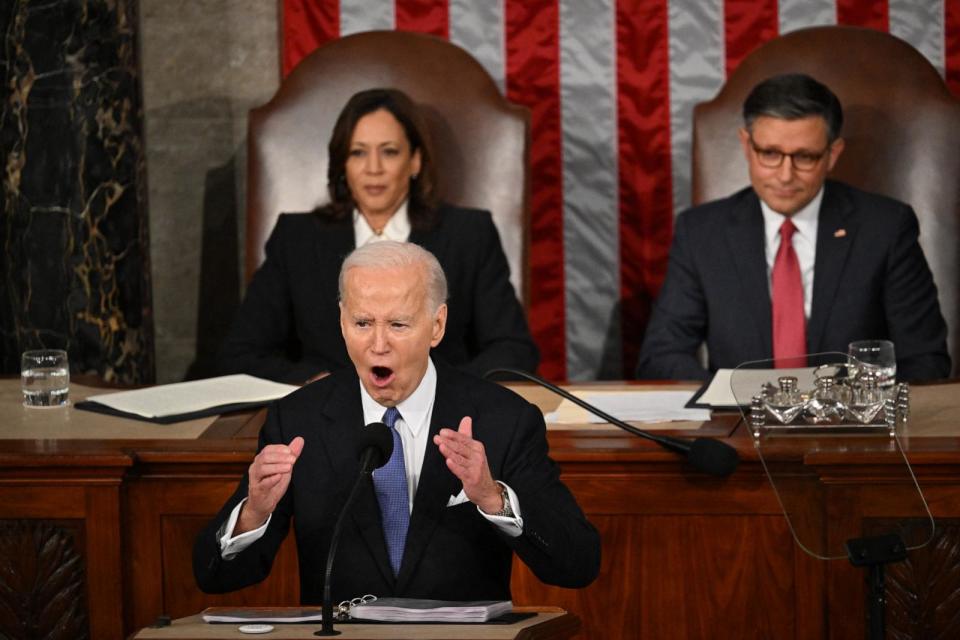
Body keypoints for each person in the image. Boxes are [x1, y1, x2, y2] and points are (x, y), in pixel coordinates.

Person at [194, 241, 600, 603]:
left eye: (398, 325)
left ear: (436, 325)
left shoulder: (503, 420)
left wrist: (494, 498)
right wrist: (253, 513)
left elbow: (578, 563)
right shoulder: (298, 421)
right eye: (362, 323)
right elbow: (214, 577)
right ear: (341, 321)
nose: (378, 344)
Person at [637, 73, 951, 382]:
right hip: (739, 425)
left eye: (805, 157)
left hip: (852, 427)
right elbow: (662, 356)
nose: (785, 175)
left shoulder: (885, 228)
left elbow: (925, 360)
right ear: (747, 146)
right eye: (770, 154)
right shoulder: (702, 233)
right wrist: (728, 397)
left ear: (832, 154)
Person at [218, 88, 539, 384]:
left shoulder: (469, 234)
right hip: (327, 421)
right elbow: (241, 354)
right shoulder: (296, 238)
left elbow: (513, 350)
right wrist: (321, 384)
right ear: (343, 164)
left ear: (414, 161)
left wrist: (436, 391)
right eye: (358, 153)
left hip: (442, 424)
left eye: (389, 152)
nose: (373, 168)